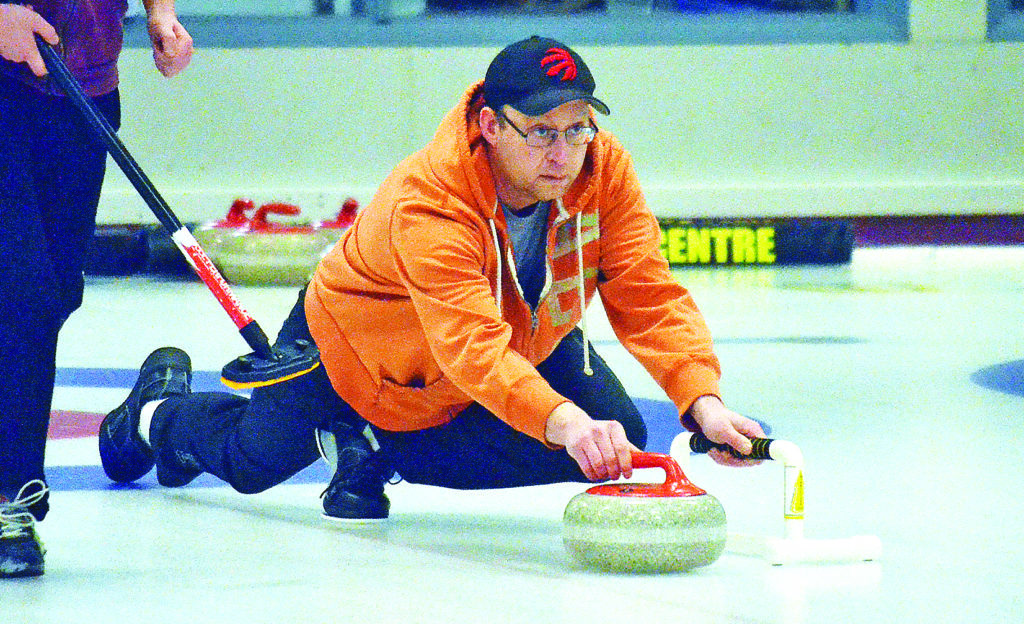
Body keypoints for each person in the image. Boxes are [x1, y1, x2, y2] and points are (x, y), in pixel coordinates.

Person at [96, 35, 765, 525]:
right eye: (540, 132)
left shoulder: (601, 167)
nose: (563, 153)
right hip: (360, 346)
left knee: (615, 435)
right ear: (489, 126)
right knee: (251, 463)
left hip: (517, 334)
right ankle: (157, 412)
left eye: (578, 128)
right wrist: (561, 418)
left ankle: (374, 446)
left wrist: (701, 402)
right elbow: (470, 347)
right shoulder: (431, 200)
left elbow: (646, 290)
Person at [0, 0, 193, 578]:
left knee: (55, 293)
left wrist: (162, 13)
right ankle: (10, 497)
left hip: (82, 89)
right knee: (23, 289)